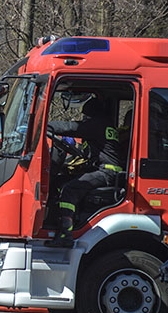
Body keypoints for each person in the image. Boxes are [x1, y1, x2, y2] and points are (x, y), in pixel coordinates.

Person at [45, 97, 122, 248]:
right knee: (61, 181)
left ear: (92, 114)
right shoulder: (104, 125)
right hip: (106, 170)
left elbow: (71, 127)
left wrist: (43, 125)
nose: (84, 119)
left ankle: (65, 234)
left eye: (86, 117)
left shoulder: (97, 124)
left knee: (69, 190)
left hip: (106, 172)